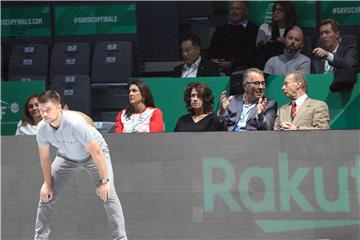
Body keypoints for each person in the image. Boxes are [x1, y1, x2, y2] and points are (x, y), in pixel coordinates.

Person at [34, 90, 127, 239]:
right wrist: (47, 183)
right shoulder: (42, 128)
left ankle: (121, 238)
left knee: (108, 194)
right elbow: (44, 157)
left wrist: (104, 181)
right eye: (41, 110)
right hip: (66, 157)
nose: (44, 114)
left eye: (48, 110)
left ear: (59, 108)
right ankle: (40, 238)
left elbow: (96, 152)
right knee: (46, 196)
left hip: (93, 156)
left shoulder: (74, 123)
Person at [207, 1, 258, 75]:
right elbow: (210, 52)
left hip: (243, 69)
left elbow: (253, 54)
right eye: (232, 9)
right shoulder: (220, 30)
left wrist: (232, 63)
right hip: (218, 68)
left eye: (237, 9)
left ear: (245, 12)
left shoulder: (253, 30)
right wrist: (214, 60)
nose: (234, 11)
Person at [312, 19, 359, 92]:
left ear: (337, 34)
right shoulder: (317, 58)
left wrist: (328, 56)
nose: (323, 36)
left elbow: (348, 65)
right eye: (321, 33)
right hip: (321, 93)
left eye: (327, 32)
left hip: (343, 94)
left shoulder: (349, 50)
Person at [256, 1, 297, 69]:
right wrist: (277, 40)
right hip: (266, 62)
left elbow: (296, 48)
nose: (276, 12)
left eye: (280, 10)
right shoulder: (265, 27)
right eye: (275, 9)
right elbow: (259, 45)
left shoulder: (294, 30)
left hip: (288, 63)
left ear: (287, 12)